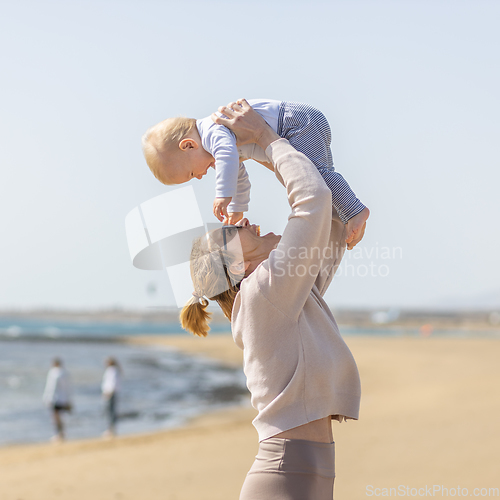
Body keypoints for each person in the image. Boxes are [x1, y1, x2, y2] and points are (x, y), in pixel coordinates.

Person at [180, 99, 361, 499]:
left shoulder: (286, 294)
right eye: (232, 231)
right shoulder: (263, 294)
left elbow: (326, 221)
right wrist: (266, 138)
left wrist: (278, 150)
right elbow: (311, 203)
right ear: (239, 268)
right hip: (285, 473)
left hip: (306, 470)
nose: (246, 220)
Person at [141, 99, 369, 250]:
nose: (200, 177)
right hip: (301, 124)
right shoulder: (221, 143)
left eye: (192, 173)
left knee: (318, 176)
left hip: (296, 124)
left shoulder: (213, 130)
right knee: (321, 180)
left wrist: (223, 194)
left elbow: (228, 158)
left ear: (189, 146)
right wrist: (237, 208)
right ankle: (344, 216)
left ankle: (356, 211)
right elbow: (239, 176)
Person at [42, 358, 72, 441]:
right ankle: (62, 433)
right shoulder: (65, 373)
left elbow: (51, 387)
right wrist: (69, 400)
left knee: (55, 417)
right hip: (64, 398)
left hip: (55, 398)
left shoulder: (54, 373)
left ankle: (58, 434)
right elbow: (68, 388)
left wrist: (47, 398)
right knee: (61, 417)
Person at [101, 357, 121, 437]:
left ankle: (111, 429)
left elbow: (112, 382)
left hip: (110, 393)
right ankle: (112, 428)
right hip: (112, 393)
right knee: (111, 411)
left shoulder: (112, 370)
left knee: (110, 411)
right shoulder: (115, 370)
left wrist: (108, 392)